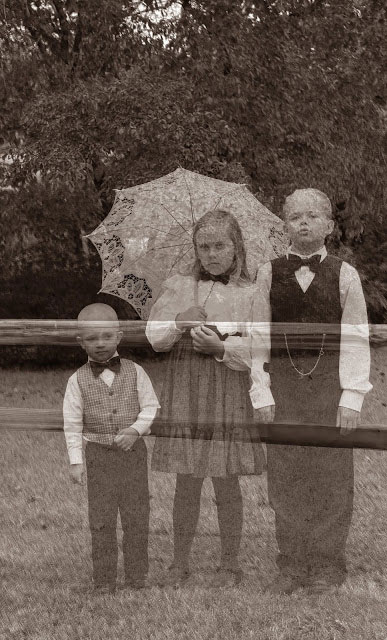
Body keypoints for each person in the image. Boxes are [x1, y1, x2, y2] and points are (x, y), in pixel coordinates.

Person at [251, 188, 372, 595]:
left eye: (312, 216)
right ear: (284, 225)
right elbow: (257, 338)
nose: (303, 223)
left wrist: (352, 396)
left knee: (331, 477)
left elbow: (356, 339)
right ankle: (292, 563)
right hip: (283, 388)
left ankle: (326, 565)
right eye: (295, 217)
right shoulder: (268, 273)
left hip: (328, 390)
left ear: (329, 226)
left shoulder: (345, 274)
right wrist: (262, 391)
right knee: (286, 475)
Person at [146, 209, 265, 587]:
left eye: (219, 246)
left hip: (227, 388)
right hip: (186, 386)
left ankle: (229, 564)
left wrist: (220, 348)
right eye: (203, 247)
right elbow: (154, 338)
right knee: (188, 477)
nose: (211, 254)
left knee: (226, 478)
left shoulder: (251, 292)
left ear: (236, 248)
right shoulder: (180, 286)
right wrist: (179, 320)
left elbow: (258, 351)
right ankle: (178, 562)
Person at [63, 303, 160, 594]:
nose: (100, 344)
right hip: (99, 456)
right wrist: (76, 461)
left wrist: (135, 430)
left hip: (133, 456)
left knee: (136, 516)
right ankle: (104, 580)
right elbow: (71, 423)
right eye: (92, 339)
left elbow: (151, 407)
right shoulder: (76, 380)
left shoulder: (136, 372)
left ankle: (136, 577)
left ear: (119, 337)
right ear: (80, 342)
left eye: (106, 336)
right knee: (101, 519)